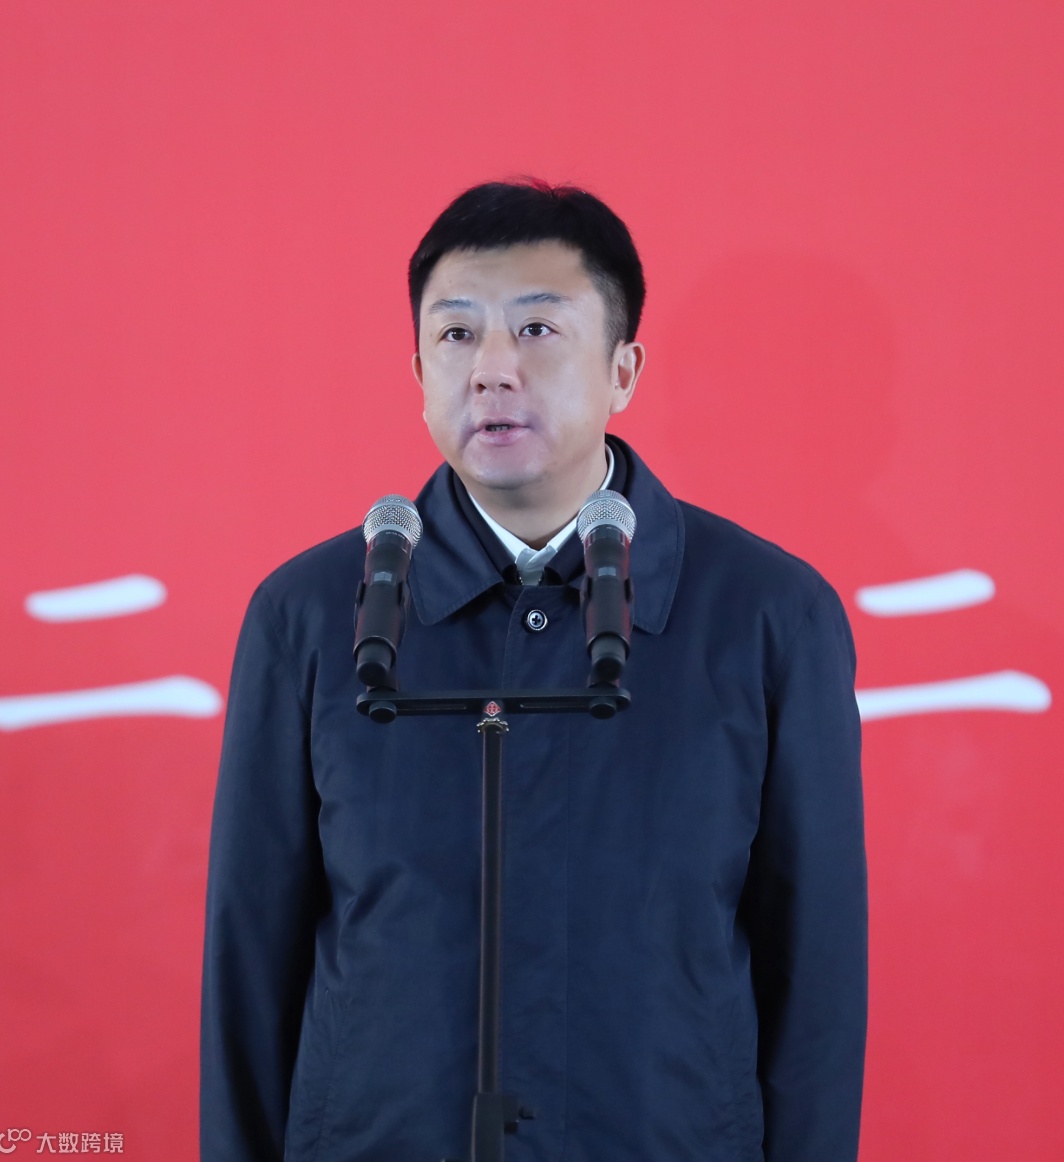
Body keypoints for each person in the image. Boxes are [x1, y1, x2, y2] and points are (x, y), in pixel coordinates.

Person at [200, 179, 867, 1162]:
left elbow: (815, 979)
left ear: (623, 369)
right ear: (418, 369)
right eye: (456, 334)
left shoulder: (769, 616)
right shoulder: (308, 614)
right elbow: (250, 960)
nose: (492, 371)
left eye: (538, 330)